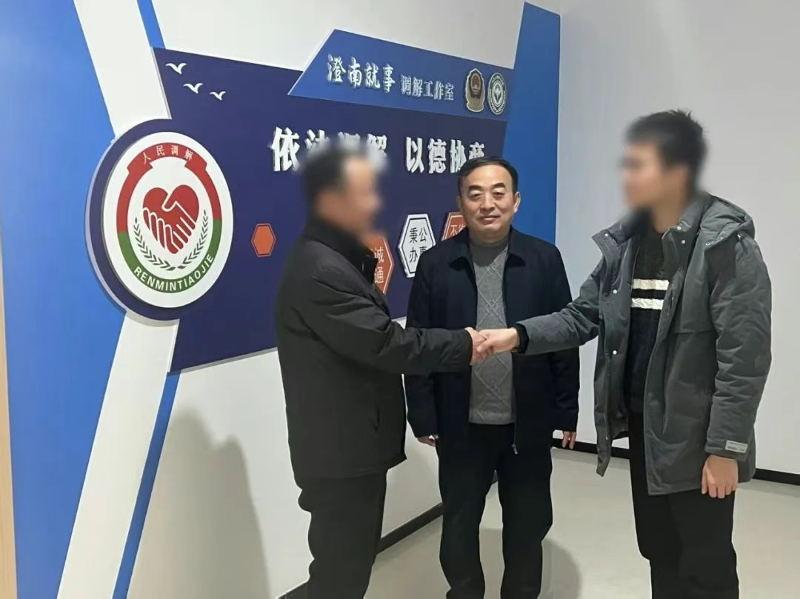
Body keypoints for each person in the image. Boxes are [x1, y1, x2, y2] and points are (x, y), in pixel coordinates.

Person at [477, 111, 771, 599]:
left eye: (638, 165)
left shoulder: (724, 246)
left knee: (706, 565)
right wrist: (516, 336)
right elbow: (581, 316)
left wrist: (726, 450)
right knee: (660, 551)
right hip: (646, 431)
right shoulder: (628, 243)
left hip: (698, 440)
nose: (626, 176)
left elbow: (745, 359)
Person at [275, 146, 489, 599]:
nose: (375, 203)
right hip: (339, 455)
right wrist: (465, 344)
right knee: (340, 574)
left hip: (351, 449)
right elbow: (387, 344)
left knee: (348, 566)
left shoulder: (338, 258)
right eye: (364, 194)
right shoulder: (320, 270)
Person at [405, 157, 580, 599]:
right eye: (476, 193)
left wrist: (566, 409)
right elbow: (418, 344)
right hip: (460, 425)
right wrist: (422, 414)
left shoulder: (544, 259)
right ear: (461, 202)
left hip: (527, 423)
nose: (488, 204)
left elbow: (563, 336)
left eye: (499, 193)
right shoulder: (435, 263)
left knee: (528, 526)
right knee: (459, 527)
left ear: (515, 201)